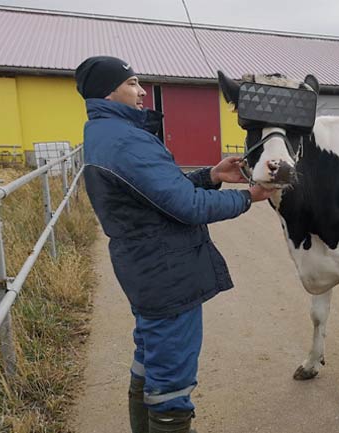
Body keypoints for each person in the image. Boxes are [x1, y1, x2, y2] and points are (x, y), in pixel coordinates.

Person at [75, 56, 274, 433]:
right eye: (132, 82)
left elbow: (161, 194)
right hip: (165, 271)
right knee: (171, 381)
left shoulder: (106, 133)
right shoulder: (125, 140)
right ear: (108, 90)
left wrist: (211, 175)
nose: (141, 90)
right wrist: (249, 196)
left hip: (146, 266)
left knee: (150, 359)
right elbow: (188, 206)